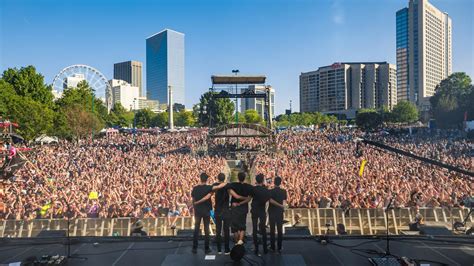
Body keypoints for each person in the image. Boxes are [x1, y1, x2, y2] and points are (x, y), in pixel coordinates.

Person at [191, 173, 226, 254]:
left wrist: (195, 206)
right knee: (206, 229)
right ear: (206, 180)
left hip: (198, 211)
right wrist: (225, 182)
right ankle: (206, 248)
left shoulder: (195, 188)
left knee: (196, 229)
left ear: (200, 178)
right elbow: (219, 186)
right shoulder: (209, 188)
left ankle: (194, 248)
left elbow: (193, 199)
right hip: (206, 211)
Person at [227, 172, 253, 246]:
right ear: (244, 178)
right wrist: (242, 202)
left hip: (234, 208)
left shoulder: (233, 185)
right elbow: (249, 199)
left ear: (238, 177)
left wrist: (237, 202)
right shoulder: (249, 186)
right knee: (242, 225)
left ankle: (236, 241)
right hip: (243, 208)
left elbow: (236, 196)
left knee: (235, 226)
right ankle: (240, 241)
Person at [251, 173, 271, 255]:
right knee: (263, 230)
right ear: (263, 180)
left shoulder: (253, 189)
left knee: (255, 229)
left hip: (254, 210)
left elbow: (249, 198)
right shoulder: (266, 190)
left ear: (256, 180)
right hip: (262, 211)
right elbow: (267, 199)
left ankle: (256, 248)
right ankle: (265, 249)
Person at [212, 173, 231, 255]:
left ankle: (219, 250)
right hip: (226, 210)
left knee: (218, 231)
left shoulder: (215, 185)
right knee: (226, 231)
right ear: (224, 178)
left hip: (218, 210)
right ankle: (227, 250)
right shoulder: (228, 185)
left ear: (218, 178)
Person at [268, 176, 287, 254]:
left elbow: (270, 200)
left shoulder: (270, 191)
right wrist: (282, 207)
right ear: (280, 182)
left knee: (272, 230)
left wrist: (280, 206)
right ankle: (279, 247)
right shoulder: (284, 191)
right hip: (279, 212)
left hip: (272, 212)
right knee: (279, 230)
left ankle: (272, 247)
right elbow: (284, 202)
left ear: (274, 182)